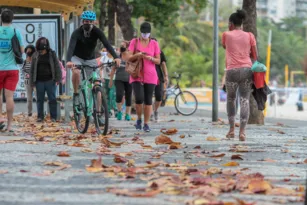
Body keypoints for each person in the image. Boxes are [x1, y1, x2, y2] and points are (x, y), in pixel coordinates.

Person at [66, 11, 120, 107]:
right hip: (77, 57)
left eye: (91, 22)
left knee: (97, 84)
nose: (89, 24)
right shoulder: (77, 33)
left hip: (90, 59)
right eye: (86, 21)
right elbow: (71, 47)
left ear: (94, 22)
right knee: (76, 72)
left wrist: (116, 57)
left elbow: (106, 44)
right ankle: (76, 93)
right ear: (82, 22)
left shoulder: (97, 31)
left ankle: (98, 112)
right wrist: (69, 61)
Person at [222, 9, 258, 141]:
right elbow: (255, 55)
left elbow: (225, 47)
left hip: (231, 71)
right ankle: (242, 132)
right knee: (244, 100)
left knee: (231, 99)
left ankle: (231, 130)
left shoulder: (226, 35)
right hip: (246, 71)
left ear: (231, 23)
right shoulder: (250, 36)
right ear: (242, 23)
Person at [127, 22, 161, 132]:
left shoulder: (154, 43)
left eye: (147, 33)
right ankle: (139, 119)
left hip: (151, 75)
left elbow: (158, 60)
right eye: (143, 32)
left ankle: (146, 123)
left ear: (150, 33)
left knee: (148, 100)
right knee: (139, 98)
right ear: (140, 32)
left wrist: (150, 58)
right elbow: (129, 57)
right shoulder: (134, 42)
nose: (145, 34)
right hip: (137, 74)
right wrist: (138, 55)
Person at [0, 9, 24, 132]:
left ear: (1, 18)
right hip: (12, 69)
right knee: (9, 97)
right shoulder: (16, 32)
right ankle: (9, 125)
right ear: (12, 19)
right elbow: (22, 50)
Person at [30, 37, 62, 122]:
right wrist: (32, 82)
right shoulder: (35, 55)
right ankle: (40, 117)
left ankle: (53, 117)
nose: (43, 46)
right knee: (40, 99)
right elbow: (32, 69)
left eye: (44, 43)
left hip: (50, 80)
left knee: (52, 99)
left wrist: (58, 78)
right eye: (41, 43)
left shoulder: (52, 54)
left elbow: (57, 66)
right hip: (39, 81)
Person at [109, 41, 132, 121]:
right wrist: (111, 81)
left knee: (129, 96)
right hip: (119, 79)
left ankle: (127, 114)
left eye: (123, 45)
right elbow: (113, 69)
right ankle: (119, 112)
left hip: (129, 79)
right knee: (119, 95)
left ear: (127, 47)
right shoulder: (117, 56)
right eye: (121, 45)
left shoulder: (131, 56)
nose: (122, 46)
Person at [150, 38, 168, 122]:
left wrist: (166, 76)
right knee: (148, 96)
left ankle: (155, 111)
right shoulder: (147, 52)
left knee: (159, 96)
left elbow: (163, 64)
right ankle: (149, 113)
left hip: (158, 77)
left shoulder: (160, 52)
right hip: (148, 76)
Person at [100, 48, 117, 116]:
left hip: (113, 79)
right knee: (105, 95)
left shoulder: (115, 58)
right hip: (105, 78)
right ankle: (107, 110)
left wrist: (113, 72)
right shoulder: (104, 58)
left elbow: (117, 68)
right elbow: (101, 68)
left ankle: (111, 110)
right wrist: (101, 77)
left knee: (111, 94)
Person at [22, 45, 36, 117]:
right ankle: (29, 112)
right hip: (27, 82)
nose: (28, 52)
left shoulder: (35, 60)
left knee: (38, 97)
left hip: (35, 82)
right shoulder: (25, 61)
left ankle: (40, 112)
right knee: (29, 98)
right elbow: (23, 71)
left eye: (30, 50)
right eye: (27, 51)